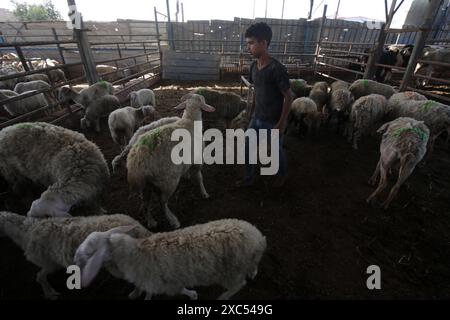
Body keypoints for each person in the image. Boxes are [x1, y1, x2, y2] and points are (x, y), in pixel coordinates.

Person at [237, 22, 292, 188]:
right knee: (247, 146)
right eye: (247, 43)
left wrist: (281, 124)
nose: (248, 47)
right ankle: (248, 177)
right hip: (257, 118)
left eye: (251, 43)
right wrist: (251, 112)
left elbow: (288, 97)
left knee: (276, 151)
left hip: (273, 121)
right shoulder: (254, 67)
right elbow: (255, 91)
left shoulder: (277, 69)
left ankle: (282, 175)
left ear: (264, 43)